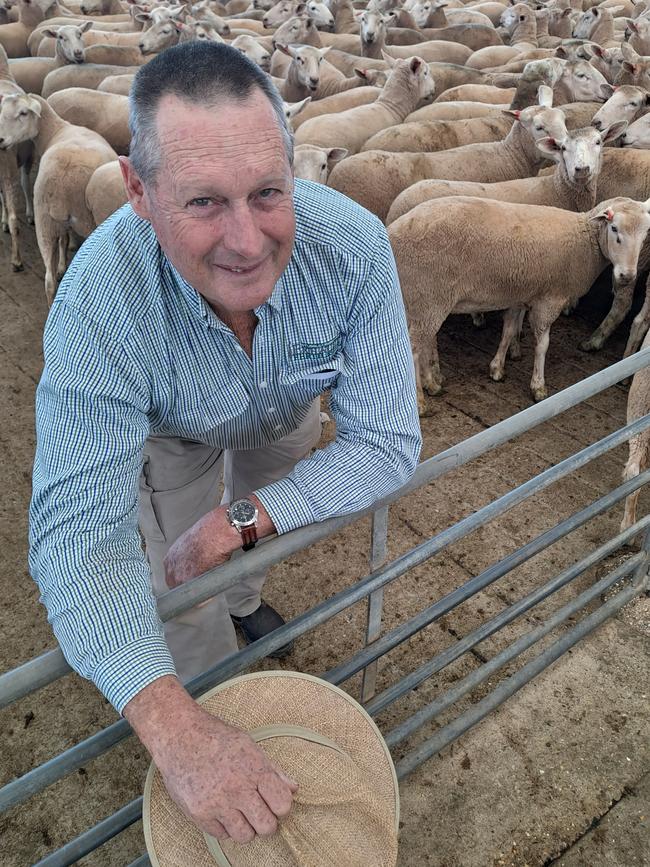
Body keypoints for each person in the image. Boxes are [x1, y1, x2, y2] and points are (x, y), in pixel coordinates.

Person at [28, 42, 421, 848]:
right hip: (175, 430)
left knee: (243, 541)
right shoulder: (101, 298)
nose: (247, 241)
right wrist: (174, 727)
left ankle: (246, 598)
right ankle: (214, 682)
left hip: (286, 414)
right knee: (179, 569)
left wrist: (245, 518)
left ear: (290, 163)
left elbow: (384, 439)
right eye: (204, 202)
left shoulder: (353, 247)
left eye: (268, 192)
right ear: (139, 190)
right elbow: (76, 537)